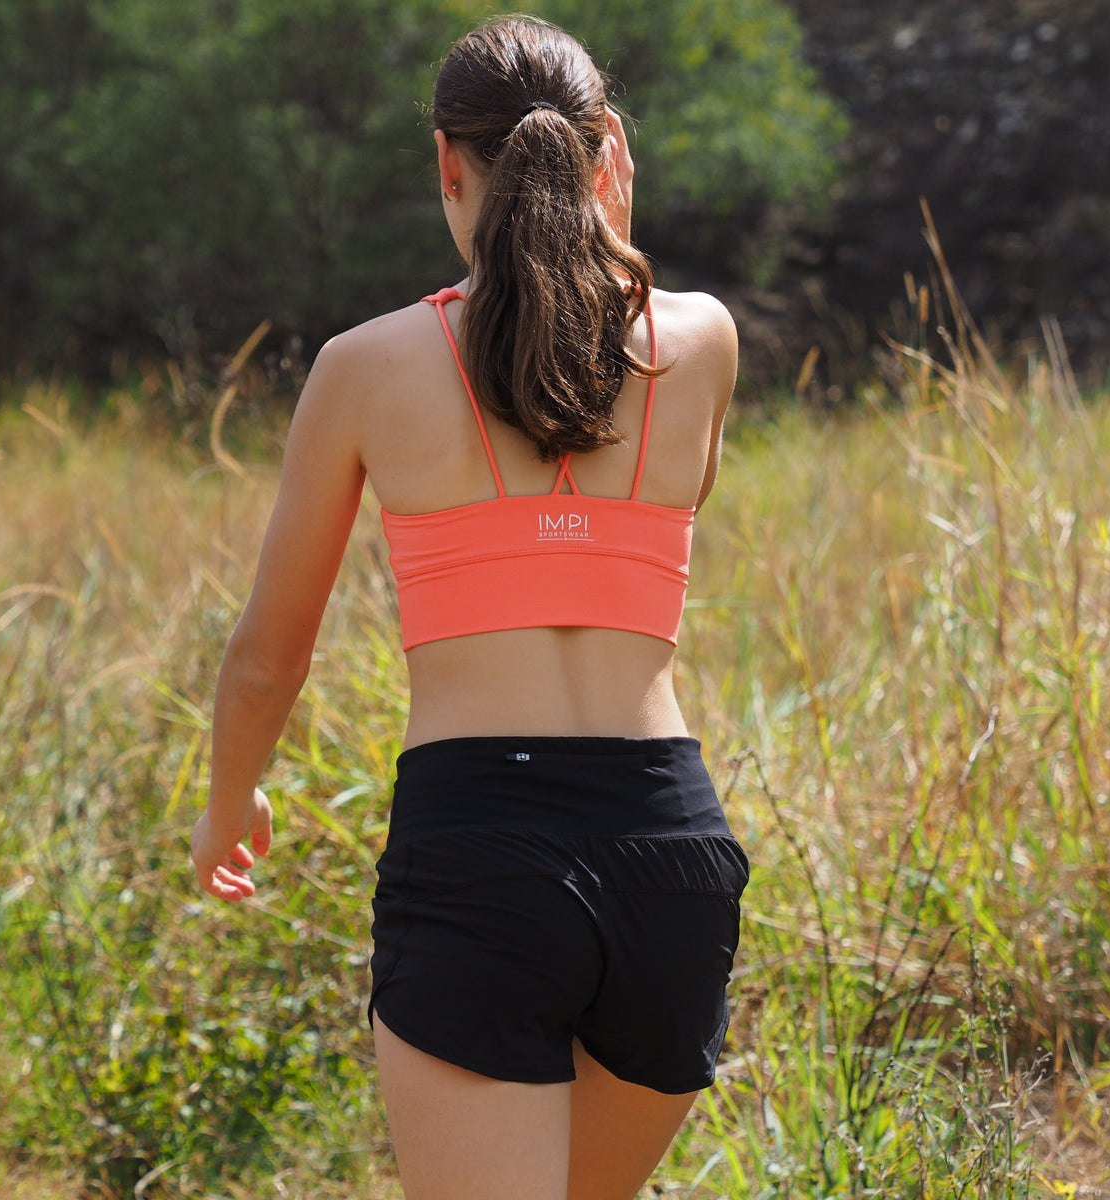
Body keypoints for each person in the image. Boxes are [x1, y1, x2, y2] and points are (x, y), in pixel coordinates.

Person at [190, 15, 747, 1200]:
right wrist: (610, 237)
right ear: (609, 155)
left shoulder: (366, 366)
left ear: (448, 163)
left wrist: (227, 803)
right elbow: (648, 474)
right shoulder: (700, 340)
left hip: (480, 844)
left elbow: (264, 656)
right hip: (670, 852)